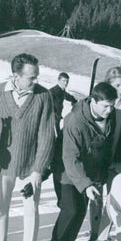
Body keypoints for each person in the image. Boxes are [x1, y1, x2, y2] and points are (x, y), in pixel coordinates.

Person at [0, 53, 55, 241]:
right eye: (31, 78)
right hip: (2, 162)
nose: (35, 81)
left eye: (37, 76)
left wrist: (38, 170)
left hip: (30, 166)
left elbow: (46, 135)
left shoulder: (43, 96)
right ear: (16, 75)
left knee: (30, 210)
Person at [48, 82, 116, 241]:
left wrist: (99, 175)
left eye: (112, 105)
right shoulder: (75, 120)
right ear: (93, 101)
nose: (109, 110)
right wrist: (85, 185)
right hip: (68, 171)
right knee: (70, 209)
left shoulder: (109, 115)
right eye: (105, 106)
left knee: (80, 210)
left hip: (90, 173)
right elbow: (70, 156)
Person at [79, 66, 121, 241]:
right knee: (95, 200)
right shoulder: (100, 103)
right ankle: (93, 238)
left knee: (113, 201)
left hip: (118, 160)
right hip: (97, 159)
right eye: (117, 85)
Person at [48, 72, 78, 211]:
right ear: (59, 80)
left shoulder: (61, 91)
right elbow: (48, 103)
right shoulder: (53, 91)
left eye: (67, 81)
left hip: (57, 119)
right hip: (52, 119)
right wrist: (53, 116)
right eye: (64, 81)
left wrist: (73, 100)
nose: (66, 83)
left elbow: (66, 96)